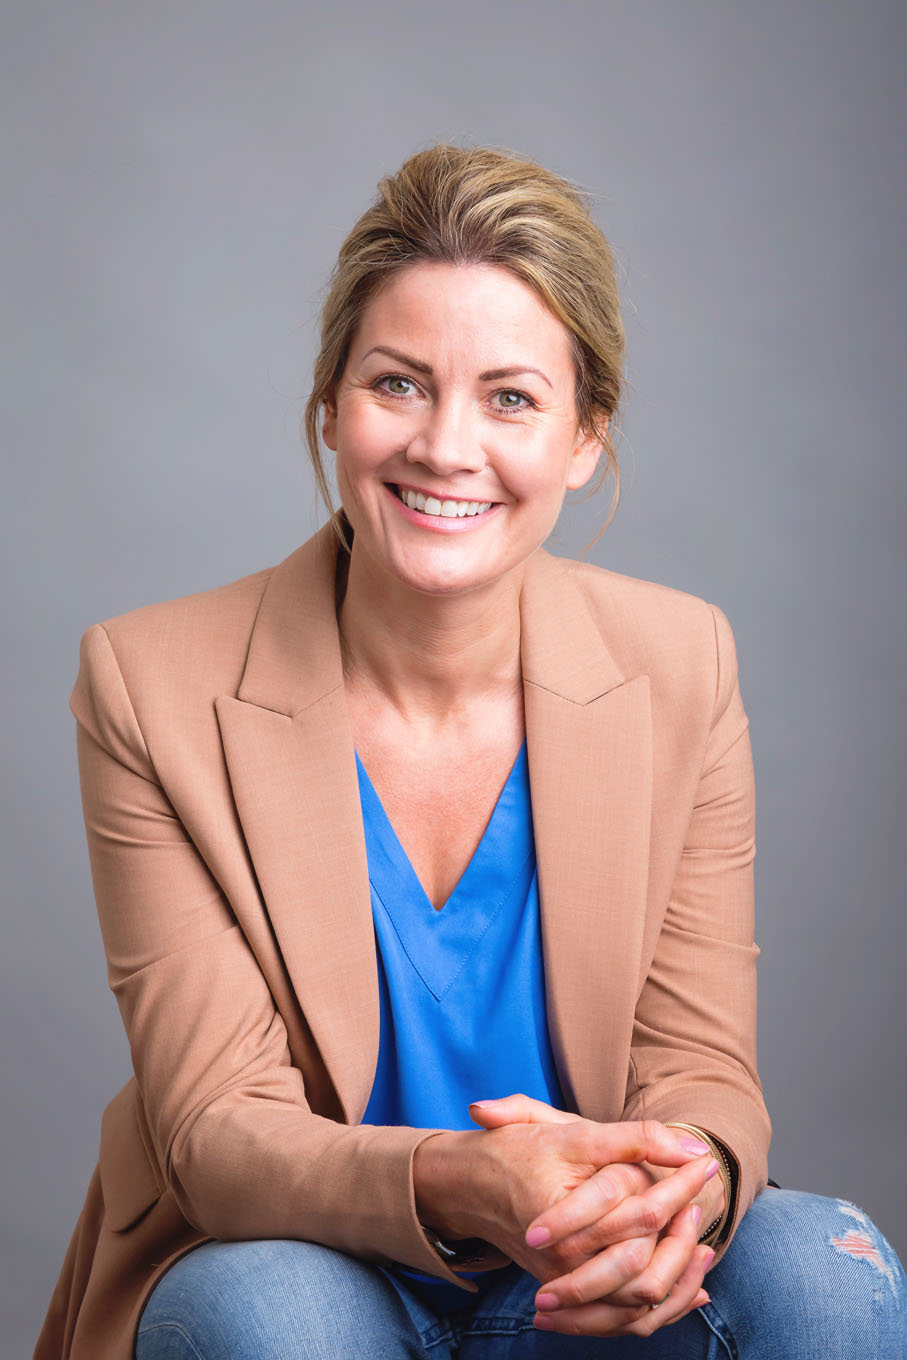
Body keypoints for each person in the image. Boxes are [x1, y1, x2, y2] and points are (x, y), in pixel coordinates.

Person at [35, 143, 905, 1360]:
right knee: (263, 1315)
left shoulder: (681, 661)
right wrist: (466, 1178)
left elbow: (700, 1065)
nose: (447, 446)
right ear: (328, 405)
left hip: (581, 1276)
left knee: (827, 1273)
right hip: (311, 1266)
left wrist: (684, 1189)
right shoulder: (151, 684)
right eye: (397, 383)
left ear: (584, 434)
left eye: (510, 397)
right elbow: (218, 1130)